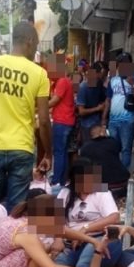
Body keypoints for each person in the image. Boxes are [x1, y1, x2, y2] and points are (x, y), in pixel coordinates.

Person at [0, 22, 52, 243]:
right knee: (16, 207)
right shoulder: (39, 74)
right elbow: (43, 120)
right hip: (22, 150)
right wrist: (47, 154)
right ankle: (8, 256)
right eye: (36, 44)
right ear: (30, 41)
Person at [46, 159, 122, 267]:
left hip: (100, 238)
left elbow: (114, 217)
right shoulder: (65, 193)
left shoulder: (102, 192)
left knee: (83, 264)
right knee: (60, 261)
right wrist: (59, 239)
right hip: (71, 240)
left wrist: (85, 230)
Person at [102, 52, 134, 169]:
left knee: (126, 148)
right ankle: (114, 172)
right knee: (113, 148)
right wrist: (104, 119)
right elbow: (108, 100)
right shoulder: (113, 80)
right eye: (120, 64)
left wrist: (133, 85)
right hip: (113, 121)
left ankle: (124, 174)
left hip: (128, 121)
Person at [48, 55, 76, 188]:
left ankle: (57, 181)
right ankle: (62, 180)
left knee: (58, 152)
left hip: (62, 121)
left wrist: (39, 106)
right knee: (62, 152)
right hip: (66, 121)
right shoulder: (64, 81)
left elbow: (55, 101)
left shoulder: (62, 82)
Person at [79, 126, 130, 198]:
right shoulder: (113, 142)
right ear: (103, 133)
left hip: (103, 188)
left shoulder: (85, 148)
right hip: (122, 184)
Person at [76, 61, 108, 146]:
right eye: (104, 73)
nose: (104, 76)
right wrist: (97, 109)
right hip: (87, 125)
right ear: (99, 72)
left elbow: (105, 98)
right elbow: (81, 111)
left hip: (97, 123)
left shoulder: (99, 84)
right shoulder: (84, 87)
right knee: (88, 150)